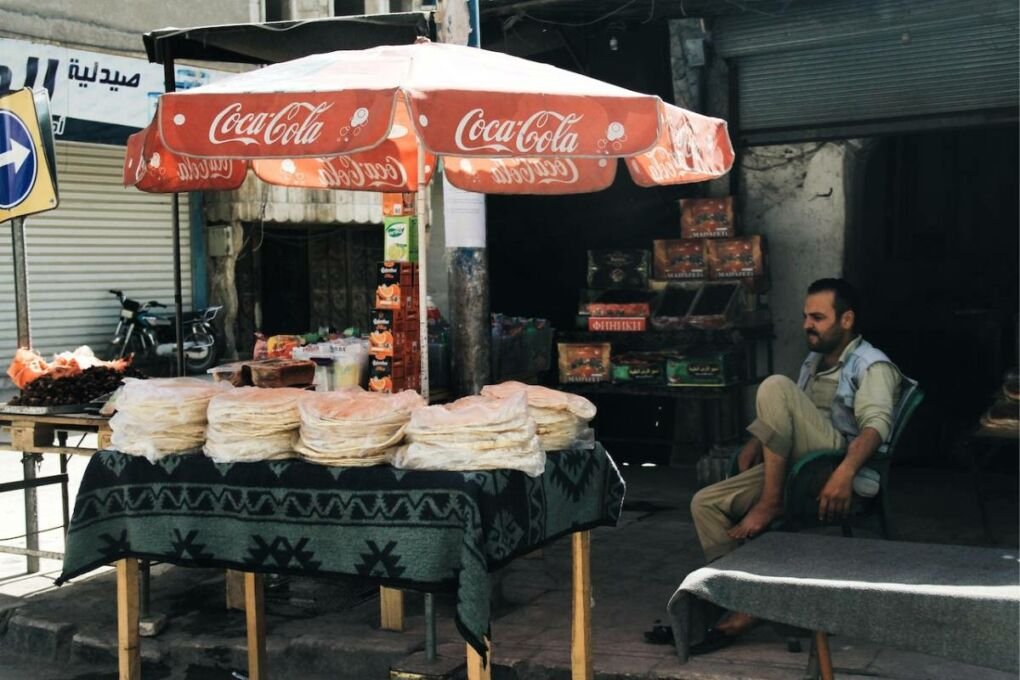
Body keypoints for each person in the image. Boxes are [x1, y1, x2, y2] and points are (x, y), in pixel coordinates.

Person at [684, 278, 904, 654]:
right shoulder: (814, 359)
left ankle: (770, 503)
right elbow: (789, 415)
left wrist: (845, 473)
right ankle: (743, 596)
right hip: (800, 464)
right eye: (805, 317)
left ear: (847, 319)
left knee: (773, 385)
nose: (807, 325)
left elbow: (875, 428)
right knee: (705, 503)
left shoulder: (872, 365)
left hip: (831, 463)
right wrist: (757, 441)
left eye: (817, 317)